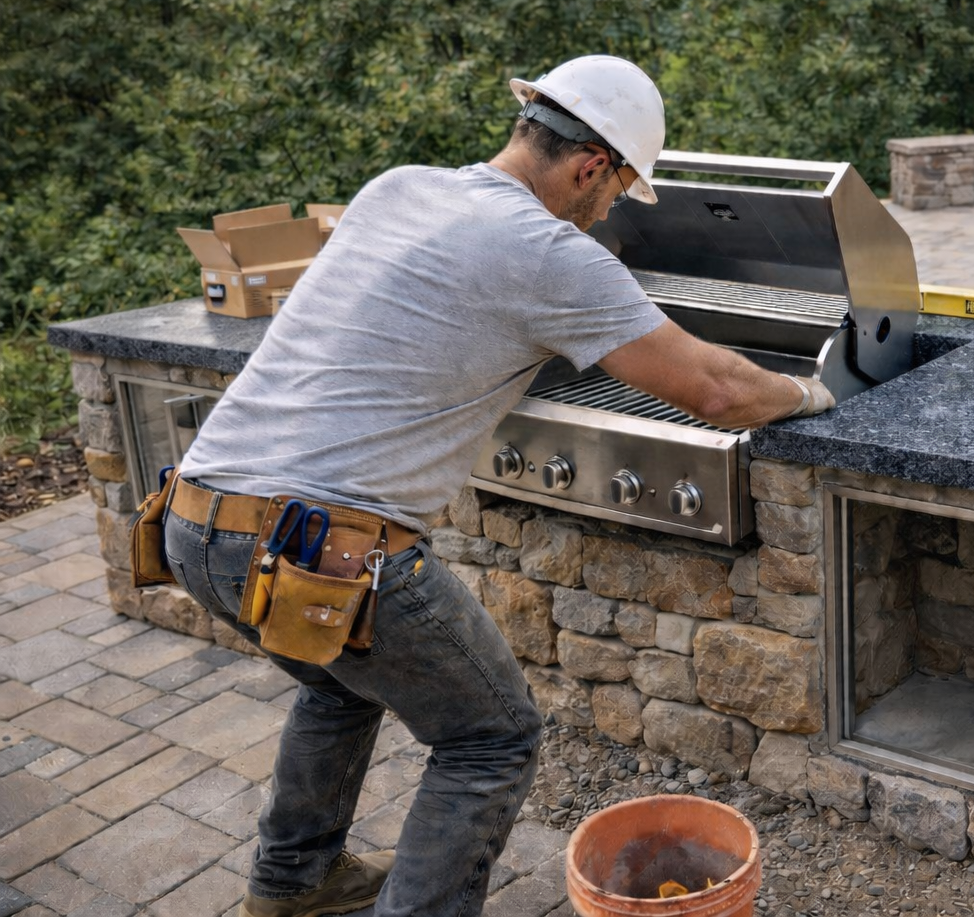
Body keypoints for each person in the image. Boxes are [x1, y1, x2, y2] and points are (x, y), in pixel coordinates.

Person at [166, 54, 835, 917]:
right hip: (326, 546)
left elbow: (425, 312)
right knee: (491, 738)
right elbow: (717, 391)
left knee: (336, 681)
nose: (610, 211)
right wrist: (814, 392)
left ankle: (294, 883)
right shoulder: (547, 250)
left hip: (197, 515)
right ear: (591, 165)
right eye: (619, 190)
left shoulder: (397, 186)